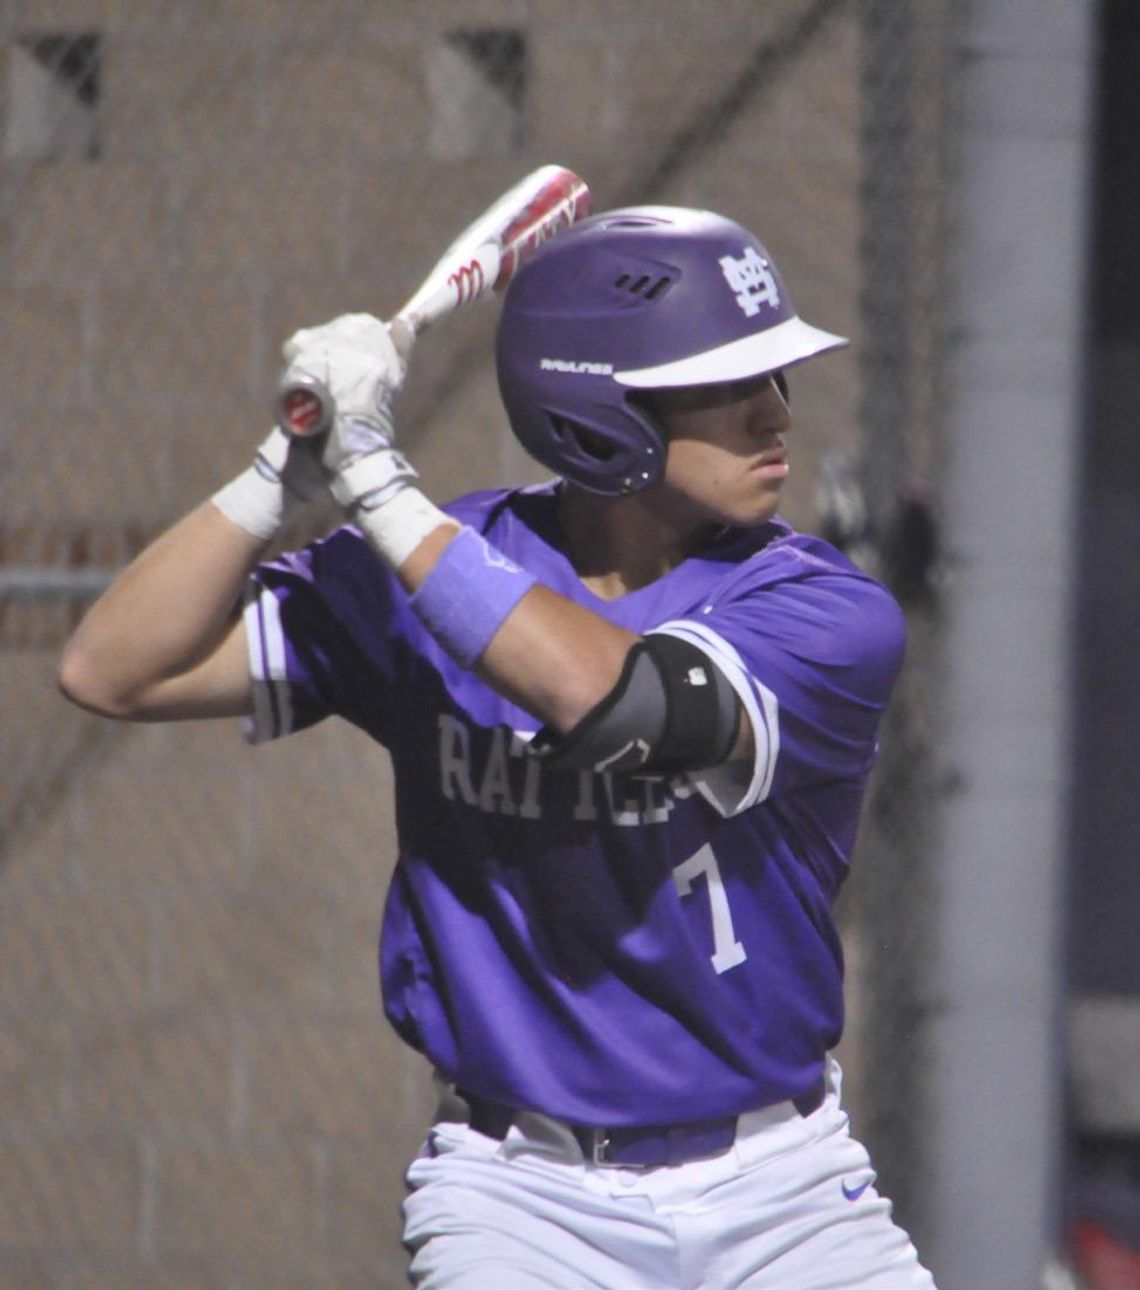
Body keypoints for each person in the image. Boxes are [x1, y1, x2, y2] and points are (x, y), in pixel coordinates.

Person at [59, 204, 936, 1288]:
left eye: (777, 376)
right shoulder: (436, 565)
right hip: (521, 1197)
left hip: (785, 1189)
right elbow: (113, 668)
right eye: (726, 383)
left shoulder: (818, 609)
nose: (775, 414)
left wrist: (378, 482)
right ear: (599, 411)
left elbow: (622, 704)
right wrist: (281, 465)